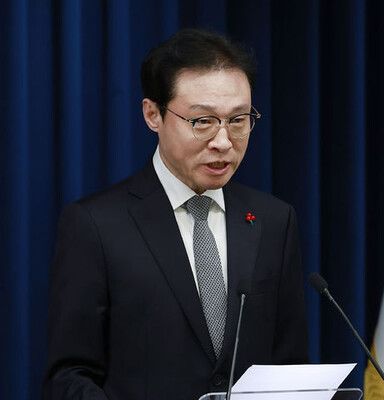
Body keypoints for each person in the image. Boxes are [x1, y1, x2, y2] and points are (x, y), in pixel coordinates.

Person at [43, 28, 308, 399]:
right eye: (202, 121)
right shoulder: (96, 225)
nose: (223, 141)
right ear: (153, 114)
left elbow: (290, 367)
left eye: (238, 120)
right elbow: (69, 377)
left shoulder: (274, 221)